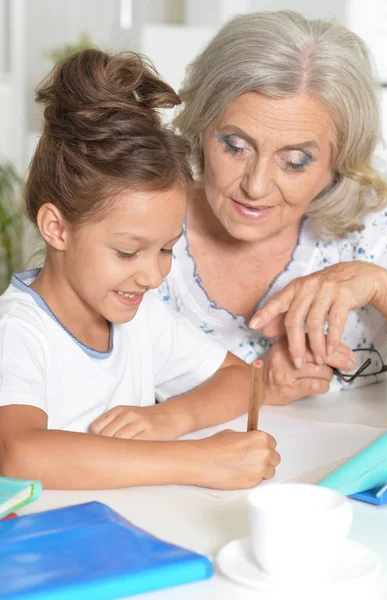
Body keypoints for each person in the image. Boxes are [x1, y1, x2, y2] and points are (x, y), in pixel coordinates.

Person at [0, 49, 280, 490]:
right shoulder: (18, 331)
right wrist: (197, 462)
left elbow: (243, 381)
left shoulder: (139, 318)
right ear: (57, 228)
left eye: (167, 249)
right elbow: (18, 453)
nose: (152, 276)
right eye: (128, 253)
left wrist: (172, 415)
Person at [156, 10, 387, 402]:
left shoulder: (378, 208)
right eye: (234, 146)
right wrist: (255, 388)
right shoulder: (142, 220)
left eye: (295, 161)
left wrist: (379, 285)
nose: (255, 185)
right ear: (201, 128)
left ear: (340, 163)